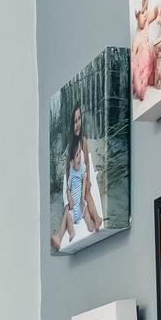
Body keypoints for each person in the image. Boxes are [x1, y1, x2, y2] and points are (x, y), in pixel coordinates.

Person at [47, 103, 102, 252]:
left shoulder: (83, 141)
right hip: (73, 181)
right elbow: (67, 169)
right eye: (75, 121)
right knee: (68, 208)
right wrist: (68, 190)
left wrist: (88, 179)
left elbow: (87, 163)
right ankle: (59, 235)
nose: (77, 124)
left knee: (87, 194)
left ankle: (95, 218)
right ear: (72, 124)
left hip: (82, 175)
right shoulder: (71, 144)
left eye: (79, 119)